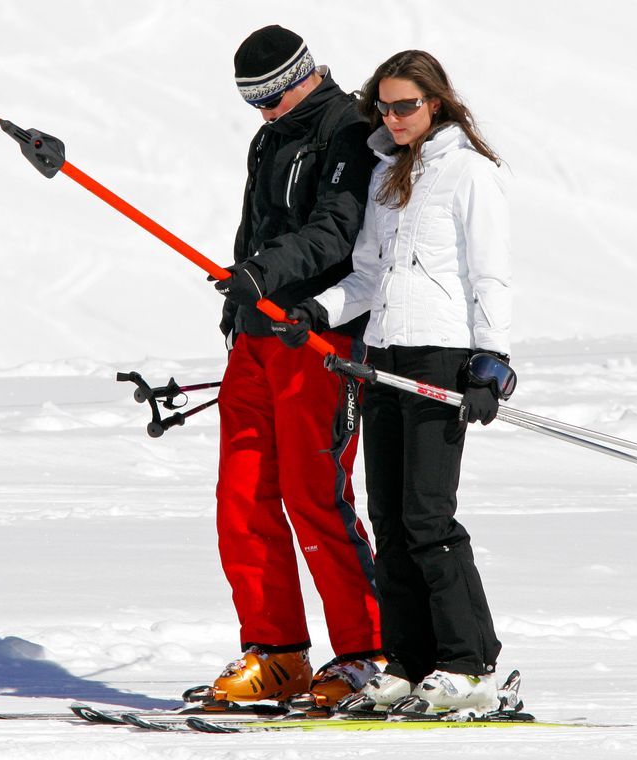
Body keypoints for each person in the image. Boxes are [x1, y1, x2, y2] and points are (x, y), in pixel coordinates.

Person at [271, 49, 512, 713]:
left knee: (428, 518)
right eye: (384, 105)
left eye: (406, 104)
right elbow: (368, 277)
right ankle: (408, 661)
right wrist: (315, 312)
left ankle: (469, 664)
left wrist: (491, 359)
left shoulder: (470, 174)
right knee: (388, 517)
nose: (394, 117)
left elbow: (490, 275)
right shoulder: (386, 176)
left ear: (435, 101)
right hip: (381, 355)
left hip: (440, 357)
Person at [206, 25, 382, 707]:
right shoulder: (269, 137)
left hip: (320, 339)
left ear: (301, 77)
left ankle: (367, 651)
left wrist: (266, 274)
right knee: (242, 495)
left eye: (272, 99)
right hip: (259, 338)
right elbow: (257, 226)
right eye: (255, 104)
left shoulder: (349, 130)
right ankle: (277, 650)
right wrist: (240, 300)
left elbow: (336, 230)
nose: (265, 113)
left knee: (315, 495)